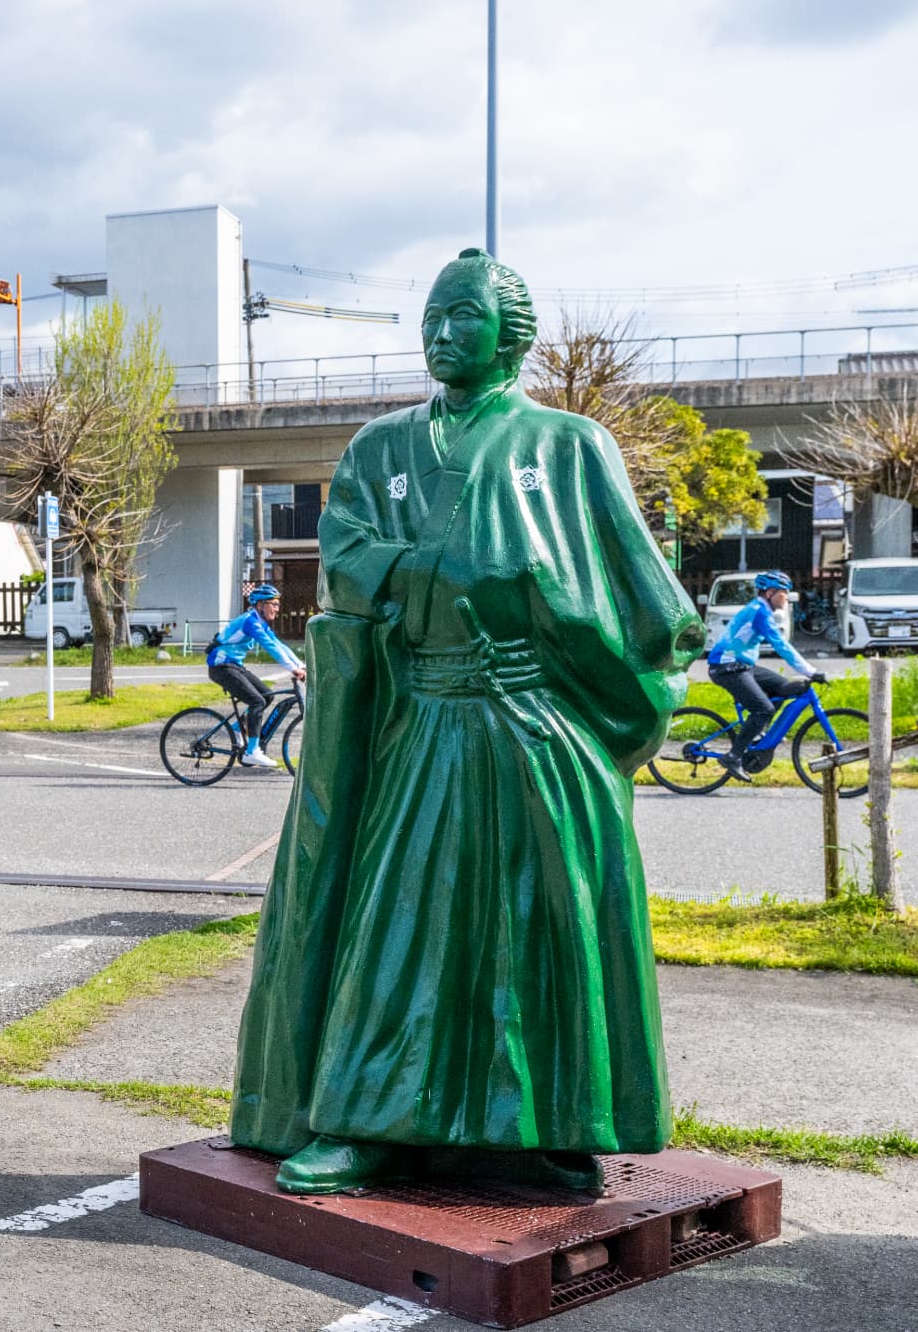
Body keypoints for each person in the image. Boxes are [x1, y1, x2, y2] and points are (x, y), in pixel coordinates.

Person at [228, 249, 702, 1196]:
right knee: (398, 925)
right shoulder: (379, 449)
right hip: (423, 722)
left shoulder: (568, 445)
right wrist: (438, 575)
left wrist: (547, 616)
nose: (443, 334)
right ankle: (366, 1121)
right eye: (433, 317)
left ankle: (547, 1122)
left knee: (539, 925)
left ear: (511, 337)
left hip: (537, 725)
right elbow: (347, 564)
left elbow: (653, 607)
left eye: (465, 319)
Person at [706, 570, 824, 781]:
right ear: (770, 593)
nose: (787, 597)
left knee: (783, 687)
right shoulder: (759, 612)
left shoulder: (761, 610)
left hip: (742, 666)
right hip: (726, 667)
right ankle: (733, 757)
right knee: (763, 709)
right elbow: (781, 645)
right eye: (784, 593)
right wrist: (810, 671)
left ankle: (759, 732)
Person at [207, 584, 308, 768]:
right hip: (221, 666)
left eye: (278, 605)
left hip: (234, 665)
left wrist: (301, 665)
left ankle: (237, 729)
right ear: (260, 605)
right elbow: (270, 648)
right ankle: (251, 752)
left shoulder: (260, 622)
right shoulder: (250, 621)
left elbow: (278, 645)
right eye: (273, 604)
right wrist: (293, 670)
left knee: (267, 696)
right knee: (257, 702)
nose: (277, 609)